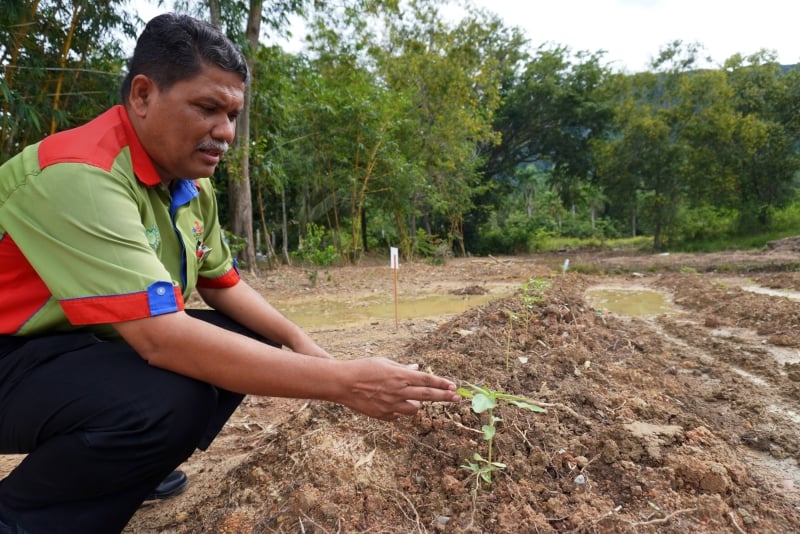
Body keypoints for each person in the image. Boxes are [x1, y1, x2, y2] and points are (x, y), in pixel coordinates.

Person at [0, 13, 460, 534]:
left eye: (234, 114)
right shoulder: (81, 177)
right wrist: (343, 382)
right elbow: (160, 340)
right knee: (171, 397)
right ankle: (23, 520)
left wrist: (301, 343)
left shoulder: (188, 185)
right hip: (11, 352)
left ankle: (121, 468)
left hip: (64, 350)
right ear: (144, 95)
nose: (225, 133)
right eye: (207, 108)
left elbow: (222, 282)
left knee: (244, 339)